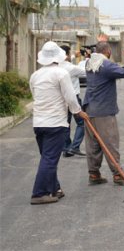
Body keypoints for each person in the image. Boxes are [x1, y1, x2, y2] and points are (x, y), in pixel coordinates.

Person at [29, 41, 87, 205]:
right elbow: (70, 97)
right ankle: (39, 193)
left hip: (39, 122)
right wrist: (78, 111)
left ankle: (55, 188)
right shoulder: (61, 73)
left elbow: (35, 96)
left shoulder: (35, 75)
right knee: (49, 159)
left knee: (47, 157)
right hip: (55, 123)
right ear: (58, 57)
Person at [83, 41, 124, 186]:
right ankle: (118, 175)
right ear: (108, 52)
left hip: (90, 110)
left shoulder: (89, 63)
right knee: (110, 143)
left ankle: (94, 174)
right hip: (104, 111)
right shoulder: (105, 65)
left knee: (93, 144)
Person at [59, 45, 87, 157]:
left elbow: (67, 59)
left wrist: (73, 55)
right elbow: (86, 72)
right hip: (74, 98)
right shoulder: (72, 68)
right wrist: (88, 58)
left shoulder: (57, 66)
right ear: (66, 55)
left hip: (61, 99)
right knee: (82, 123)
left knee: (66, 124)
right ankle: (74, 147)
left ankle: (66, 148)